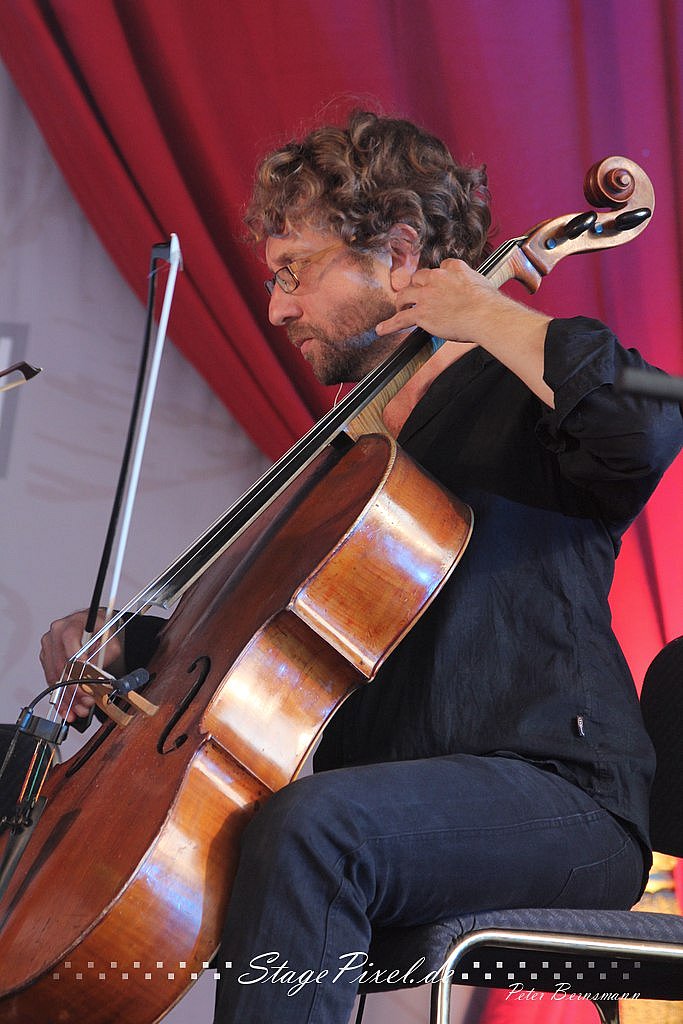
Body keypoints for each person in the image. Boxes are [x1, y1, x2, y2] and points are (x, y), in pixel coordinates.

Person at [40, 111, 683, 1024]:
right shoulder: (349, 453)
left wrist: (488, 314)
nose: (277, 308)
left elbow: (645, 425)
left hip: (561, 797)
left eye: (294, 270)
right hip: (390, 811)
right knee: (279, 827)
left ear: (399, 252)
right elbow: (269, 634)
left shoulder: (516, 382)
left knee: (314, 830)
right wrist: (123, 645)